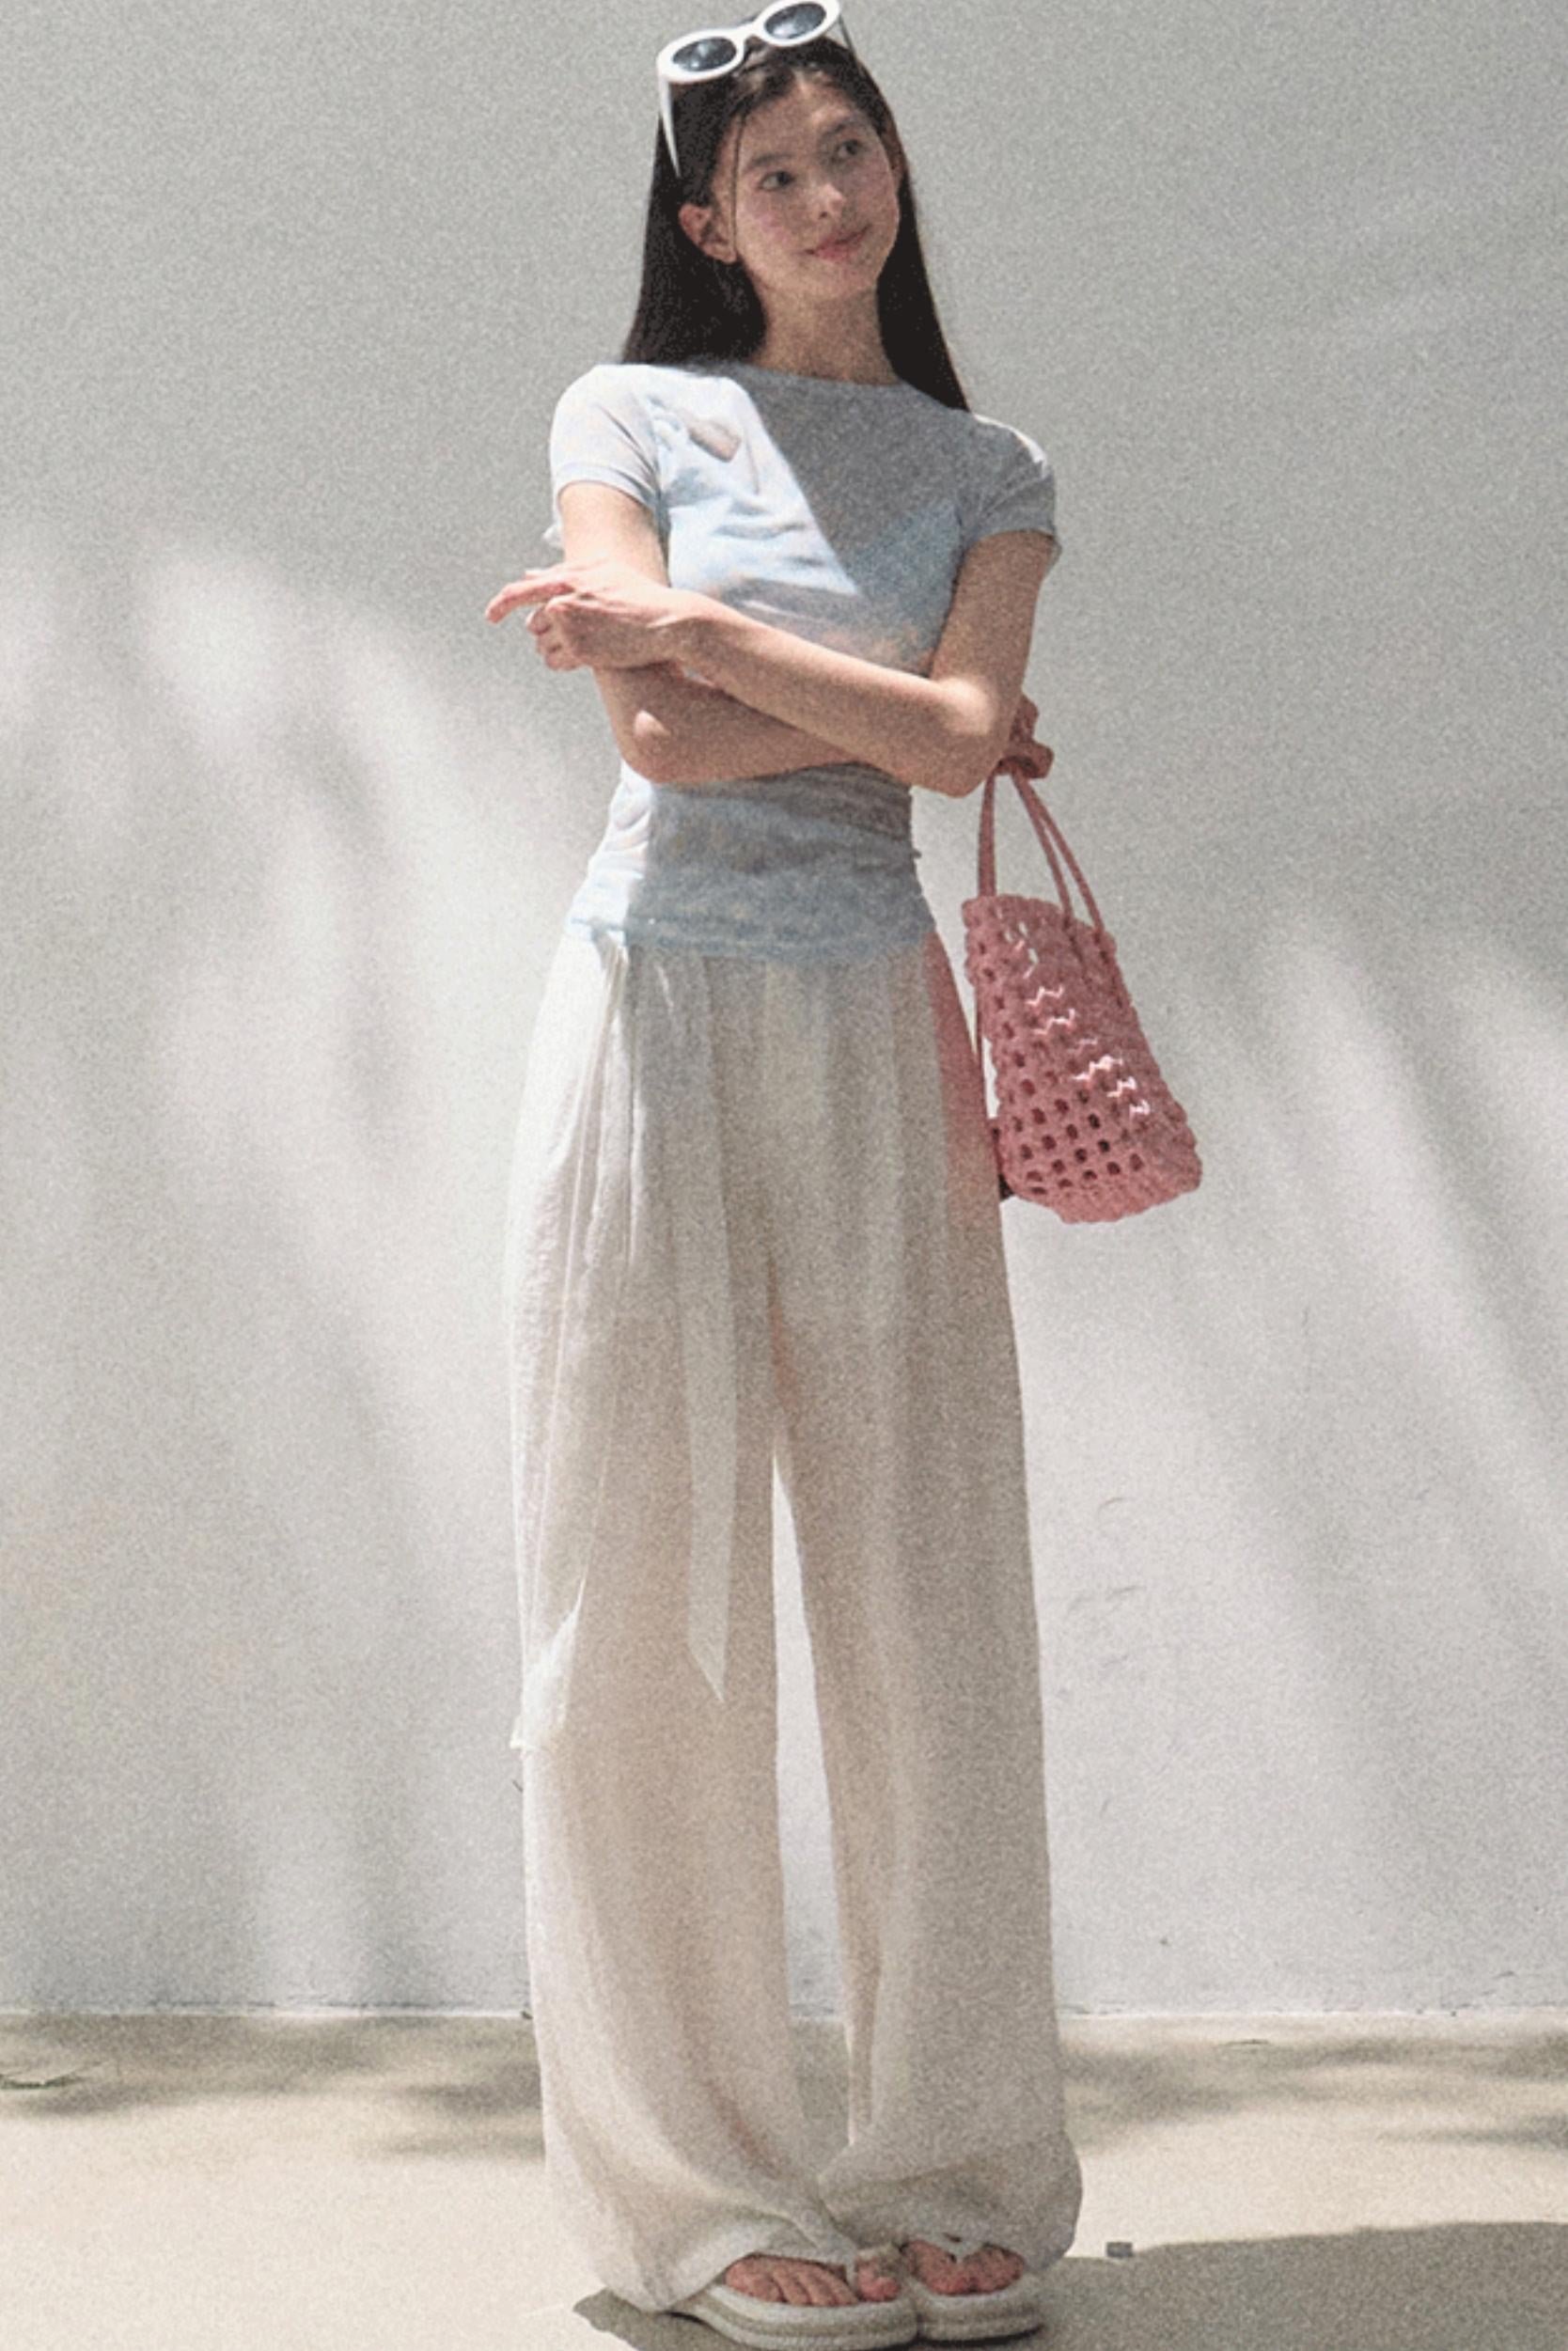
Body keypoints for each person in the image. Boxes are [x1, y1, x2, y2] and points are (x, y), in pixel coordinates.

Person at [485, 5, 1083, 2340]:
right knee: (634, 1603)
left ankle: (955, 2165)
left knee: (929, 1600)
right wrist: (853, 699)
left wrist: (712, 626)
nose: (833, 197)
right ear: (706, 221)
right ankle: (700, 2197)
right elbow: (661, 741)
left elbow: (951, 746)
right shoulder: (622, 414)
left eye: (854, 149)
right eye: (778, 172)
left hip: (876, 1027)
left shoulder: (990, 463)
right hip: (648, 1012)